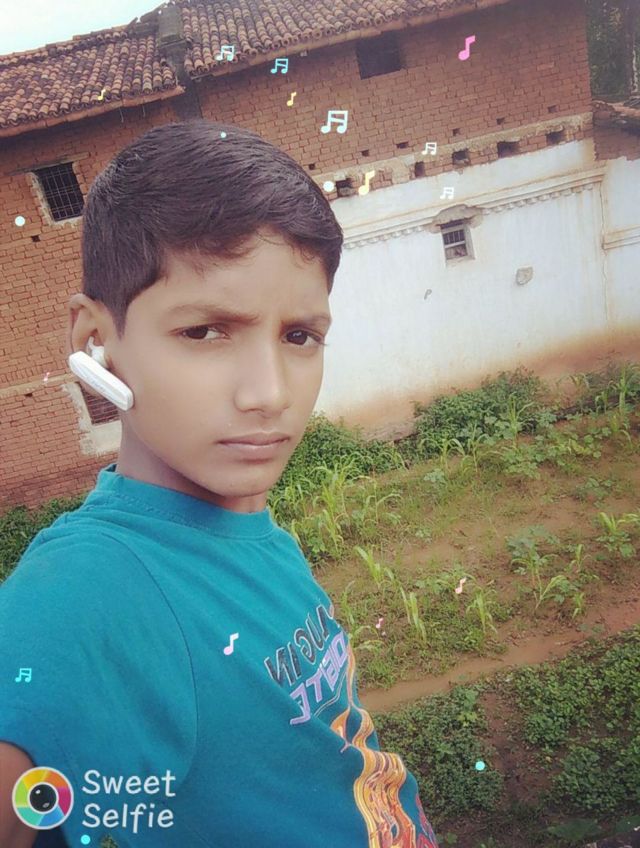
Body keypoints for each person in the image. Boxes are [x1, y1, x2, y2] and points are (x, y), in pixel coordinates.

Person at [0, 120, 439, 848]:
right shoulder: (91, 588)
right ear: (95, 340)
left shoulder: (246, 527)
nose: (269, 394)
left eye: (298, 336)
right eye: (205, 332)